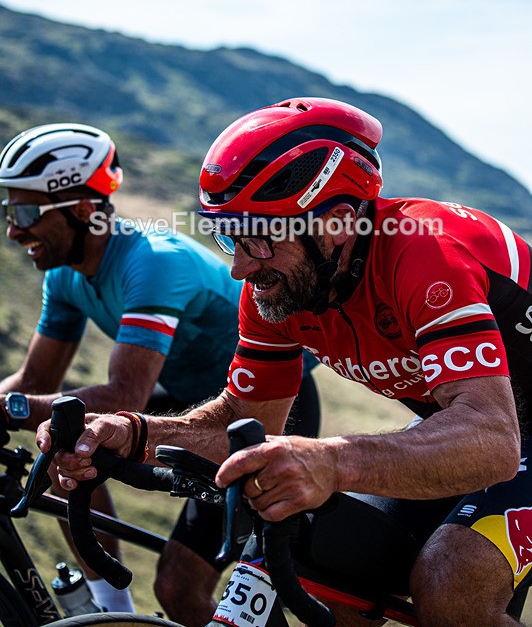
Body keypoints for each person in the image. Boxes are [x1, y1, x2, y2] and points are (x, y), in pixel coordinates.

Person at [38, 97, 532, 627]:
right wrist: (137, 433)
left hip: (492, 427)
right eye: (229, 236)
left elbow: (491, 441)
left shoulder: (423, 253)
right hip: (470, 421)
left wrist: (332, 461)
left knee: (448, 584)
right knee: (333, 564)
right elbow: (241, 422)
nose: (240, 267)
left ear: (337, 224)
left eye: (261, 240)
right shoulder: (276, 290)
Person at [0, 121, 321, 624]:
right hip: (190, 401)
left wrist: (11, 409)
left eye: (23, 212)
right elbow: (33, 384)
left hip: (262, 409)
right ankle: (112, 609)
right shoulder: (64, 274)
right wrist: (13, 404)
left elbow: (125, 391)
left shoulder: (152, 261)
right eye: (7, 212)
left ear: (82, 208)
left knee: (178, 587)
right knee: (68, 437)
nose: (13, 230)